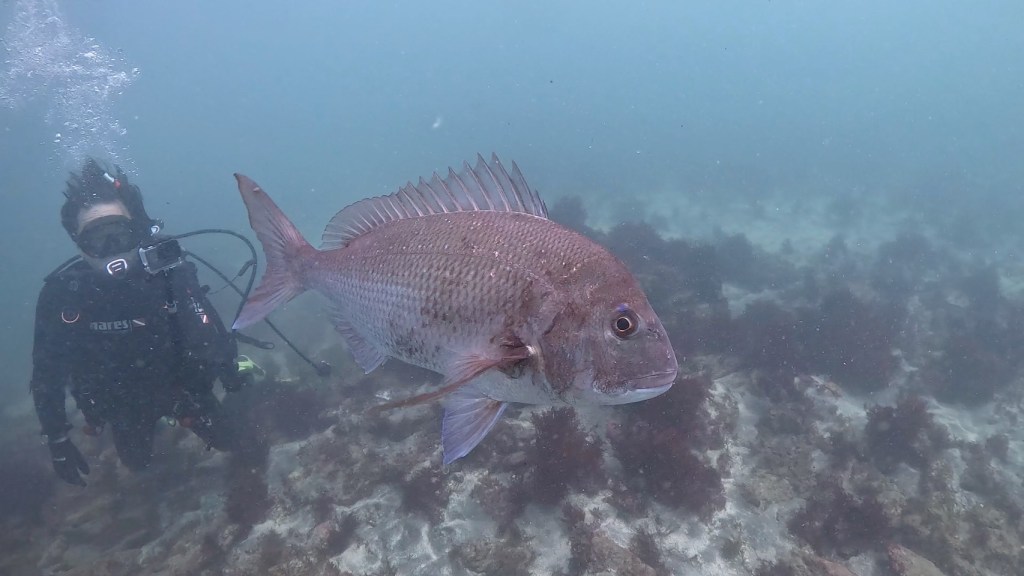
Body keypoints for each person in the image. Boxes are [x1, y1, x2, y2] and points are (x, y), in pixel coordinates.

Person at [30, 158, 249, 486]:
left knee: (235, 441)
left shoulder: (167, 271)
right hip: (122, 404)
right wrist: (57, 439)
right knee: (137, 463)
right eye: (97, 239)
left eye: (119, 234)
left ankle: (248, 370)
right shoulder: (62, 295)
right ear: (79, 244)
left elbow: (209, 334)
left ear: (139, 231)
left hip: (182, 389)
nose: (111, 250)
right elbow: (47, 374)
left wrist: (229, 374)